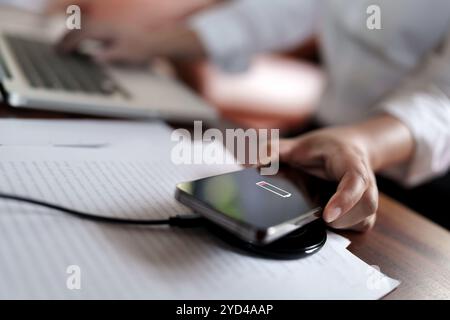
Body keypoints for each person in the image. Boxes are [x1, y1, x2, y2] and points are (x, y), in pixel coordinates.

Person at [54, 0, 450, 231]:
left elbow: (442, 98)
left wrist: (361, 142)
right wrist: (151, 42)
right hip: (321, 140)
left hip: (411, 172)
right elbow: (283, 10)